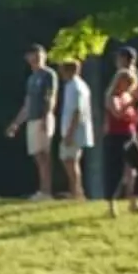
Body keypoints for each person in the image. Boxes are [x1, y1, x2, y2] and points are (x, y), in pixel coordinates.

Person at [105, 47, 138, 215]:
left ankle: (134, 201)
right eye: (124, 82)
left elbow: (132, 117)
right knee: (116, 172)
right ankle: (111, 205)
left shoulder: (127, 96)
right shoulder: (112, 97)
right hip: (116, 137)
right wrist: (130, 102)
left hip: (130, 135)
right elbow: (117, 112)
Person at [3, 44, 57, 200]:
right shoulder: (31, 78)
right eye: (33, 54)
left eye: (39, 54)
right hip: (32, 119)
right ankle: (42, 190)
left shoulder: (48, 74)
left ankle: (46, 191)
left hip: (43, 117)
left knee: (44, 155)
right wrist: (16, 123)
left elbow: (50, 97)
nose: (36, 57)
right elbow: (27, 104)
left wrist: (47, 116)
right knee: (37, 155)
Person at [52, 57, 93, 202]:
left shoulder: (75, 87)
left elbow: (77, 111)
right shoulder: (74, 85)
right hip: (71, 129)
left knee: (70, 160)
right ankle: (76, 190)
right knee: (69, 160)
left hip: (74, 130)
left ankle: (77, 192)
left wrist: (70, 133)